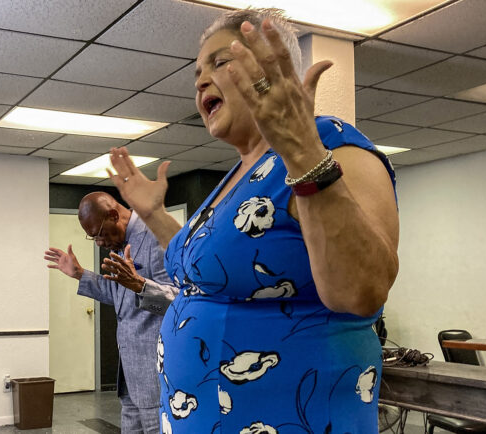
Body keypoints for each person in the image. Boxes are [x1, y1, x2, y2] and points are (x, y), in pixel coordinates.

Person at [106, 8, 399, 434]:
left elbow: (362, 291)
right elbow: (202, 270)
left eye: (219, 62)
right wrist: (152, 215)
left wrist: (302, 153)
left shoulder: (332, 144)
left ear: (271, 65)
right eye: (196, 74)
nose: (202, 80)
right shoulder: (239, 175)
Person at [44, 191, 177, 434]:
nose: (99, 243)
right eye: (92, 237)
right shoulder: (120, 243)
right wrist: (80, 274)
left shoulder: (157, 237)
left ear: (114, 215)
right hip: (129, 378)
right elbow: (120, 296)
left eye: (100, 234)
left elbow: (183, 301)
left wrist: (141, 286)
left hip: (155, 378)